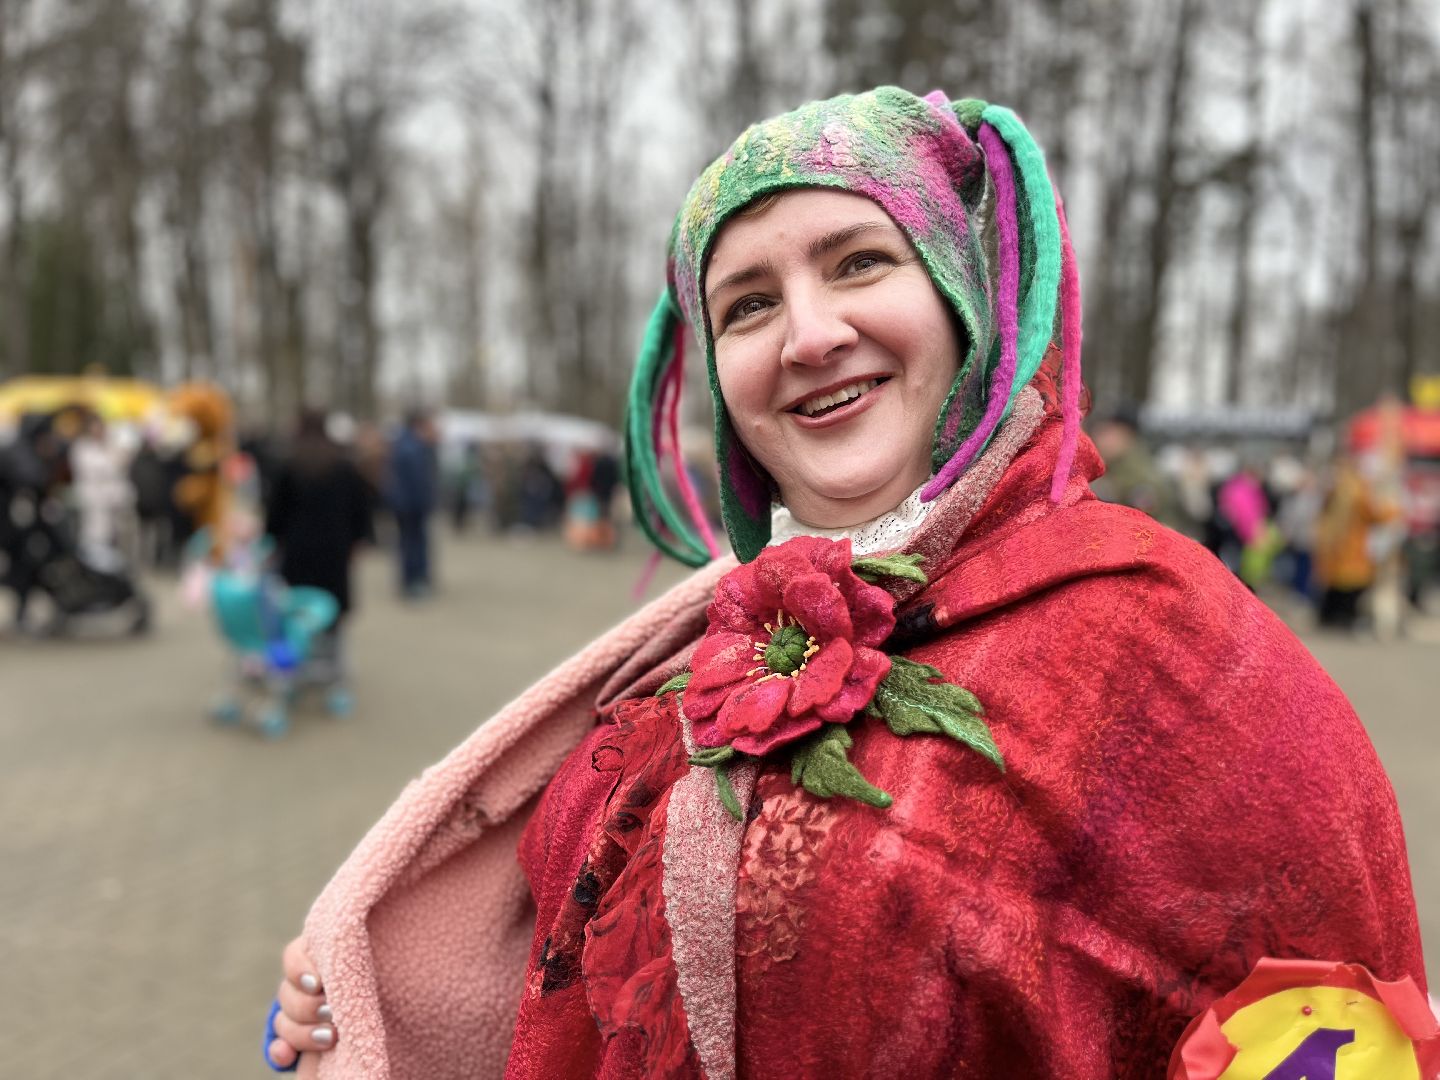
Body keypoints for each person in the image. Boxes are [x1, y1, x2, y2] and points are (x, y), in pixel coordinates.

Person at [264, 88, 1424, 1077]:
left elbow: (1321, 1021)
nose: (809, 335)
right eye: (749, 305)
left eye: (859, 262)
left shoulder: (1161, 638)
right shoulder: (698, 643)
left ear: (959, 298)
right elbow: (560, 966)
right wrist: (377, 992)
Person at [264, 408, 374, 679]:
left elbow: (275, 514)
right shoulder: (344, 465)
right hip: (335, 549)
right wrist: (357, 541)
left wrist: (273, 542)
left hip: (297, 549)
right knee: (331, 608)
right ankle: (333, 663)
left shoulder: (289, 465)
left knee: (297, 607)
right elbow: (361, 509)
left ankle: (297, 661)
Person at [385, 409, 439, 598]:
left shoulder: (402, 443)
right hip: (412, 505)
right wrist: (427, 502)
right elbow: (418, 481)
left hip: (404, 503)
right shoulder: (413, 447)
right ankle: (415, 581)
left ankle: (410, 579)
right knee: (414, 543)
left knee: (407, 542)